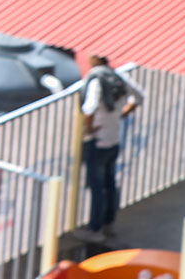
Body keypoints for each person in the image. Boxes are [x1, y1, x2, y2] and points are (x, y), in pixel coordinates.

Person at [75, 55, 144, 241]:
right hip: (113, 139)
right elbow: (138, 96)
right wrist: (121, 115)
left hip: (97, 141)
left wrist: (88, 129)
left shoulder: (96, 80)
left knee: (97, 187)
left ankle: (95, 228)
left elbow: (89, 108)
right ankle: (109, 223)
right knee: (110, 183)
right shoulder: (117, 78)